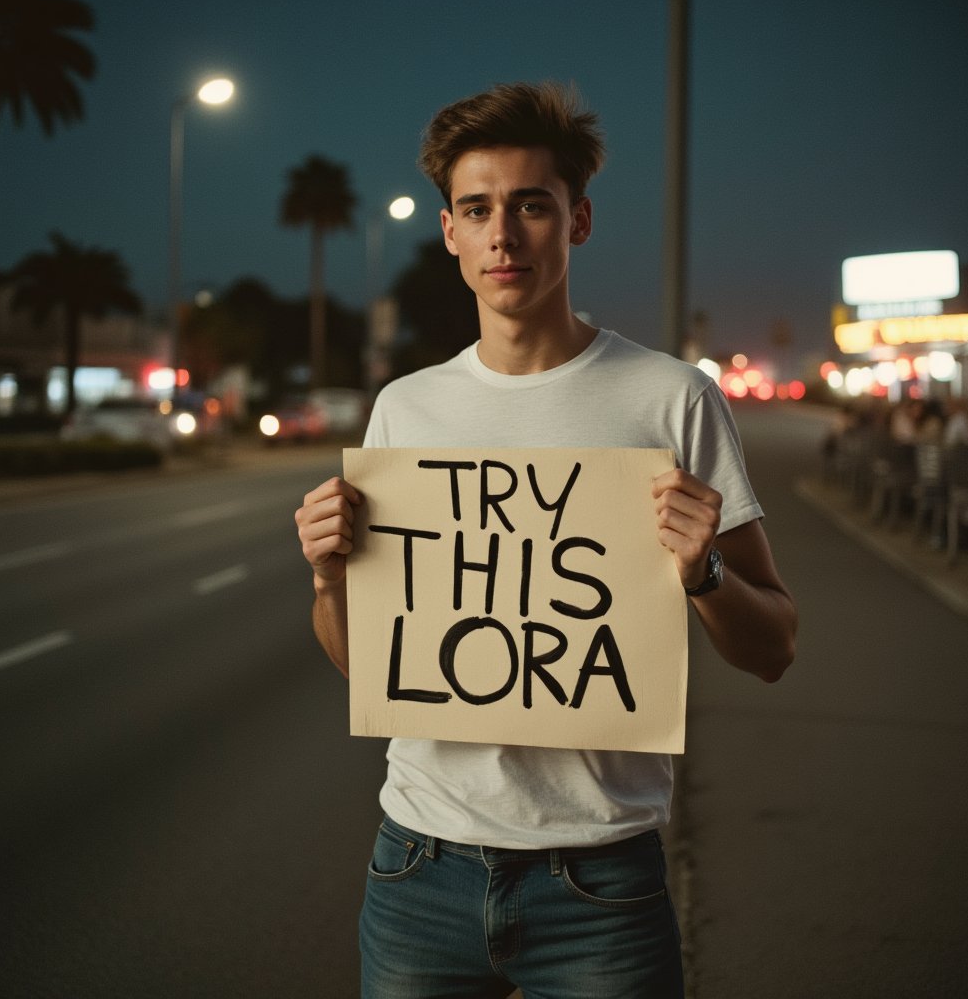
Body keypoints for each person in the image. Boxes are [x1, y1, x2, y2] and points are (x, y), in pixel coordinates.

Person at [295, 81, 797, 999]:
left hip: (601, 879)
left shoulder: (670, 398)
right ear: (449, 231)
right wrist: (330, 583)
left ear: (579, 219)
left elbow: (776, 647)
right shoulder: (405, 408)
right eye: (477, 209)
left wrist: (705, 572)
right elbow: (370, 668)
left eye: (532, 204)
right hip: (418, 868)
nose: (504, 234)